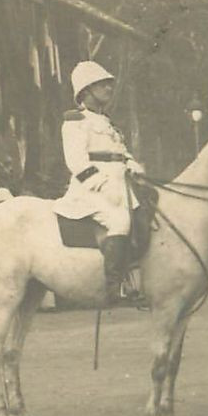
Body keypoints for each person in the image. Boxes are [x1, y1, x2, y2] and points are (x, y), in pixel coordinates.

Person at [58, 60, 146, 308]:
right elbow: (75, 160)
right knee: (120, 221)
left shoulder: (107, 122)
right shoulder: (75, 121)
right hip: (91, 189)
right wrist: (100, 184)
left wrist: (132, 164)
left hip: (122, 185)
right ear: (86, 90)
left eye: (109, 83)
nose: (109, 87)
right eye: (102, 83)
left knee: (147, 218)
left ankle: (137, 280)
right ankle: (114, 286)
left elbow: (119, 152)